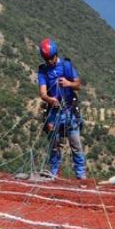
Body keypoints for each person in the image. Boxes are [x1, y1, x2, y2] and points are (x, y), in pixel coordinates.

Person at [36, 37, 86, 179]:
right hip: (54, 112)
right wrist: (49, 99)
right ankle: (54, 172)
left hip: (69, 111)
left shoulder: (66, 66)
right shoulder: (43, 71)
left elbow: (78, 85)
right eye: (47, 59)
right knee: (54, 145)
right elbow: (42, 93)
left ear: (56, 54)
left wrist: (68, 84)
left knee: (75, 145)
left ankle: (81, 175)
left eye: (51, 58)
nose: (49, 61)